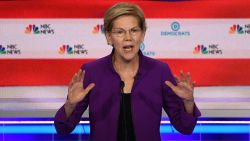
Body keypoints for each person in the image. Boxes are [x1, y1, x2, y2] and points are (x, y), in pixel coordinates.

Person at [54, 2, 201, 141]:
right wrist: (70, 105)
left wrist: (188, 102)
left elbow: (185, 128)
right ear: (108, 37)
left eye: (134, 30)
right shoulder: (91, 72)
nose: (128, 38)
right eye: (120, 32)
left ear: (142, 34)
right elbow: (62, 129)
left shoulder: (160, 71)